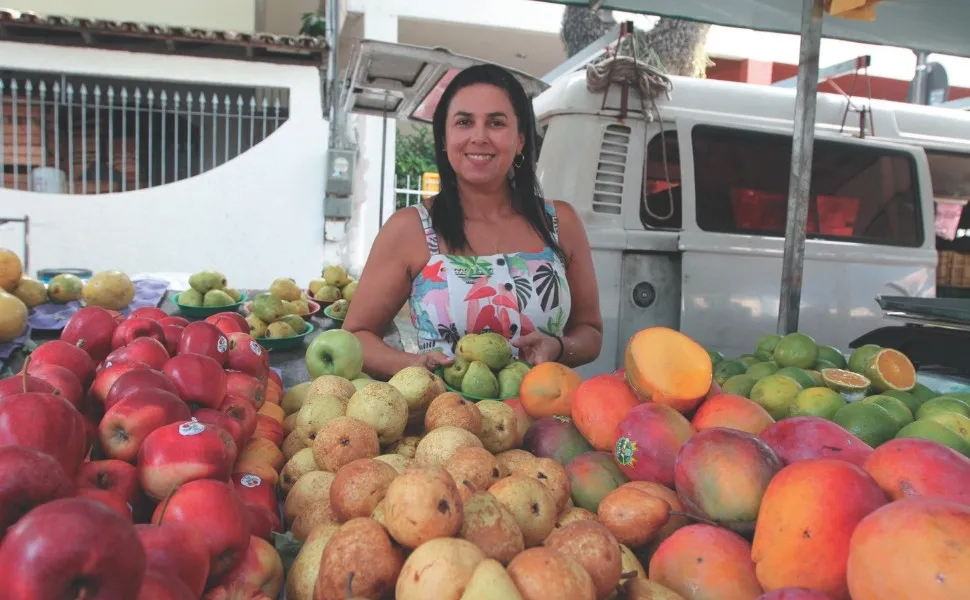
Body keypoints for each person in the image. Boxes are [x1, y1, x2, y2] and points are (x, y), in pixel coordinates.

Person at [343, 63, 603, 381]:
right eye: (464, 122)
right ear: (444, 137)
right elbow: (356, 335)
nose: (479, 137)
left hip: (543, 420)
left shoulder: (561, 223)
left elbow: (590, 333)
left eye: (496, 123)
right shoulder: (409, 229)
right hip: (443, 423)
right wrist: (412, 365)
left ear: (520, 139)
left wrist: (559, 348)